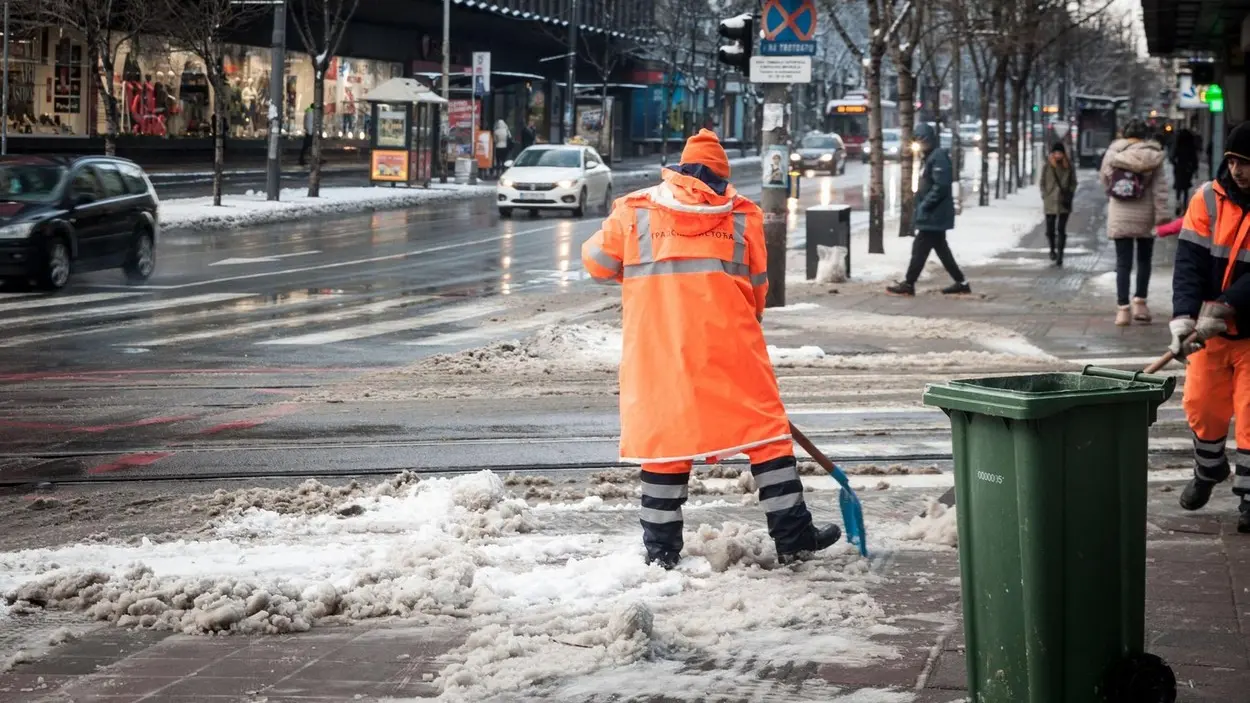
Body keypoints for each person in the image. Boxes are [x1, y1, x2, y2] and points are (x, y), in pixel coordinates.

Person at [580, 129, 842, 570]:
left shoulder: (634, 211)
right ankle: (794, 537)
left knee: (666, 444)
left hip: (660, 351)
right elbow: (759, 292)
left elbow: (597, 265)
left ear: (680, 169)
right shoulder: (743, 217)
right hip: (732, 347)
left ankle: (661, 552)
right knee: (767, 437)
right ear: (722, 176)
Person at [1171, 120, 1250, 535]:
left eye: (1248, 164)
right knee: (1202, 405)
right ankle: (1209, 470)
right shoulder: (1207, 199)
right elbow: (1188, 263)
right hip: (1210, 330)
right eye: (1235, 161)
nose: (1239, 170)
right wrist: (1184, 317)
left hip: (1246, 332)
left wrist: (1227, 305)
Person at [1099, 119, 1170, 326]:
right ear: (1145, 135)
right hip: (1145, 213)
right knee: (1144, 260)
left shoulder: (1113, 153)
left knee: (1123, 262)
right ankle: (1140, 304)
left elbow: (1105, 180)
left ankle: (1122, 310)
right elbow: (1160, 189)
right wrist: (1162, 216)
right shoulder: (1154, 155)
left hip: (1120, 211)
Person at [887, 122, 969, 296]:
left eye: (921, 140)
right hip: (933, 215)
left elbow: (941, 186)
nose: (919, 144)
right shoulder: (931, 157)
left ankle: (909, 284)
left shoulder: (937, 157)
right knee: (941, 250)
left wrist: (925, 205)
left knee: (920, 249)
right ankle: (961, 282)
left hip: (934, 215)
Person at [1040, 142, 1077, 266]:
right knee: (1050, 230)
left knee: (1061, 229)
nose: (1058, 155)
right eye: (1055, 153)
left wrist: (1070, 193)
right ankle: (1052, 249)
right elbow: (1042, 181)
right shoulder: (1048, 166)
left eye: (1060, 153)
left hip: (1063, 201)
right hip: (1050, 201)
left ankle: (1060, 254)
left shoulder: (1069, 166)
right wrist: (1045, 194)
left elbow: (1073, 182)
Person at [1171, 128, 1200, 216]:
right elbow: (1194, 159)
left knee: (1178, 188)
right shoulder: (1191, 146)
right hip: (1188, 169)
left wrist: (1175, 164)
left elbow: (1172, 157)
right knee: (1186, 189)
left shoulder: (1178, 145)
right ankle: (1185, 206)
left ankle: (1178, 202)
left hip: (1179, 168)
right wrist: (1195, 169)